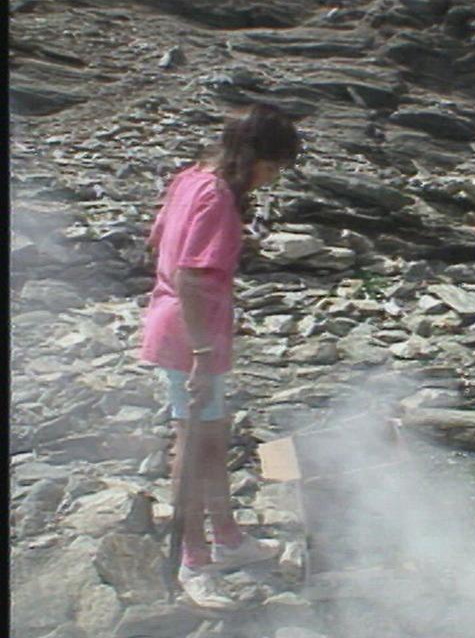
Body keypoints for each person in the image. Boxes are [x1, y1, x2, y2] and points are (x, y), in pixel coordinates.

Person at [141, 104, 301, 608]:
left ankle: (228, 539)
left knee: (212, 437)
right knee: (192, 444)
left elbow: (156, 239)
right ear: (251, 156)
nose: (269, 181)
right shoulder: (216, 195)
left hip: (183, 324)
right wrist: (204, 350)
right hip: (191, 337)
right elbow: (190, 275)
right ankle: (193, 559)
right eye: (271, 169)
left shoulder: (192, 177)